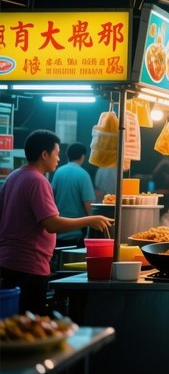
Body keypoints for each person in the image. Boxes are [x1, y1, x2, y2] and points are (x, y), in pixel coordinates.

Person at [0, 130, 114, 314]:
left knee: (15, 325)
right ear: (44, 155)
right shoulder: (37, 181)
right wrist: (90, 219)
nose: (59, 159)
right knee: (31, 327)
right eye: (57, 153)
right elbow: (52, 224)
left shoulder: (14, 176)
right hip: (29, 266)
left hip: (9, 263)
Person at [51, 142, 96, 246]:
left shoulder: (58, 172)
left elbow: (51, 197)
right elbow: (89, 206)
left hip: (57, 231)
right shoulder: (83, 175)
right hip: (76, 233)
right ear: (83, 156)